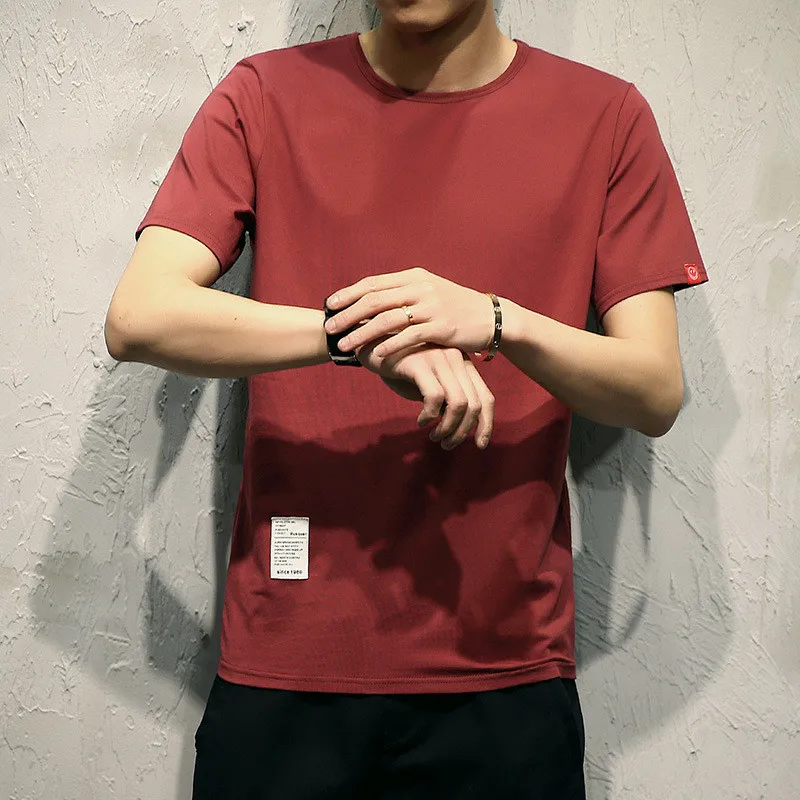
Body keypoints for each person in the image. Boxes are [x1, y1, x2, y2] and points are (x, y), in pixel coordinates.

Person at [104, 0, 707, 796]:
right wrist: (361, 336)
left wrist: (498, 321)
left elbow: (654, 389)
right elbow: (140, 316)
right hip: (288, 665)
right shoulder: (265, 94)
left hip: (505, 674)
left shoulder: (606, 116)